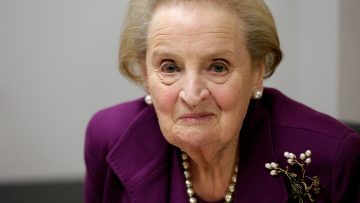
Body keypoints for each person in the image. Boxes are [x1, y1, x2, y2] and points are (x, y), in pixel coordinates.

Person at [84, 0, 360, 202]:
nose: (192, 95)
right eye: (170, 68)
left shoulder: (334, 157)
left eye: (217, 67)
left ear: (257, 71)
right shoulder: (108, 136)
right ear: (146, 74)